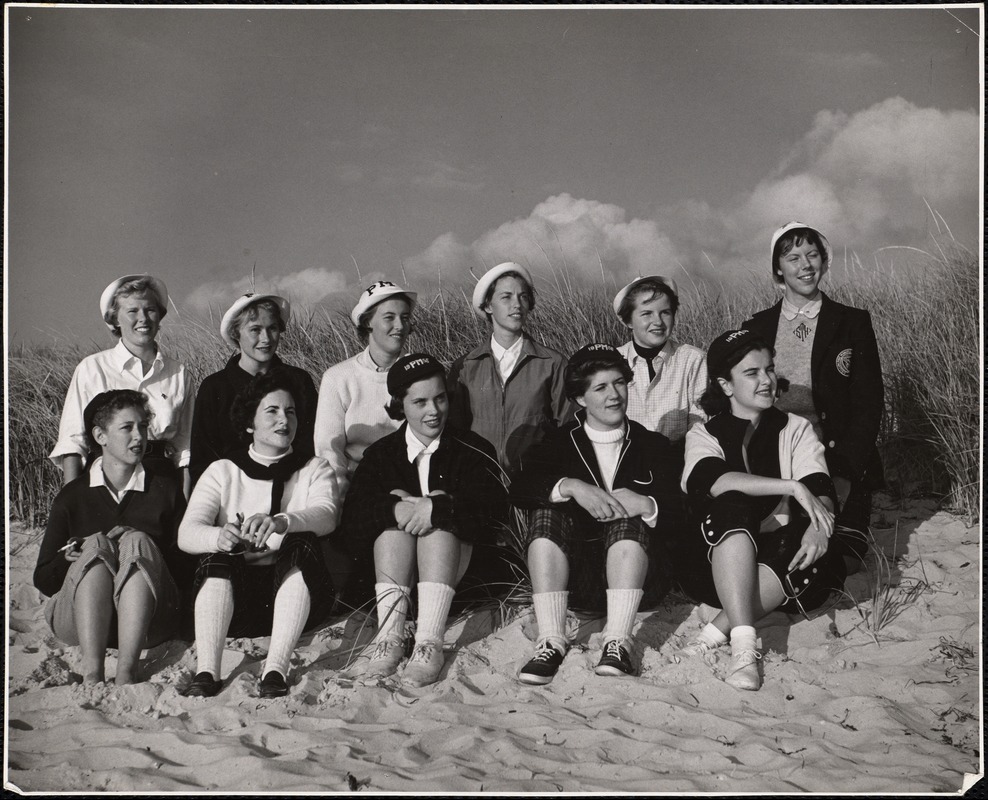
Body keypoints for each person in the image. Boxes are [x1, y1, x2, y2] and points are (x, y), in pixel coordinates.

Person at [677, 329, 845, 691]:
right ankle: (744, 651)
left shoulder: (795, 427)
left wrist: (820, 525)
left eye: (769, 369)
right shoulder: (704, 434)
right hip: (713, 566)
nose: (767, 380)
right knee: (733, 504)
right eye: (751, 373)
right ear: (725, 384)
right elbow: (715, 480)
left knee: (810, 544)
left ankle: (716, 632)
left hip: (776, 562)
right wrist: (789, 485)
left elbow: (820, 487)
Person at [510, 343, 682, 685]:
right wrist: (571, 485)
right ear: (580, 398)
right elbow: (521, 488)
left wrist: (647, 505)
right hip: (576, 584)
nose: (614, 395)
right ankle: (551, 639)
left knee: (628, 515)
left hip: (640, 582)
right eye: (600, 387)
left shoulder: (653, 446)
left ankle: (617, 641)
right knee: (547, 515)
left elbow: (681, 512)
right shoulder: (559, 442)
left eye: (619, 383)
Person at [342, 354, 506, 687]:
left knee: (439, 530)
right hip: (394, 588)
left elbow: (492, 517)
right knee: (392, 530)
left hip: (456, 583)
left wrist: (438, 509)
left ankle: (429, 643)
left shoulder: (473, 449)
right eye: (419, 402)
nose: (433, 411)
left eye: (440, 398)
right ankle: (389, 639)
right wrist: (395, 509)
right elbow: (353, 523)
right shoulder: (381, 454)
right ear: (399, 405)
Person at [178, 372, 339, 699]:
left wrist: (283, 522)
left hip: (299, 605)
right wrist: (220, 538)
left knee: (302, 539)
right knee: (217, 549)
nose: (284, 420)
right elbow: (187, 533)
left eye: (290, 412)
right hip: (233, 607)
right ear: (249, 423)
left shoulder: (313, 468)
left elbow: (327, 516)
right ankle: (208, 670)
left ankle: (275, 670)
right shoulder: (223, 471)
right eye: (273, 411)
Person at [742, 222, 884, 571]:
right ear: (778, 268)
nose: (805, 265)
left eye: (812, 255)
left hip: (836, 457)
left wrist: (844, 475)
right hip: (776, 457)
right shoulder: (756, 326)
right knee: (774, 551)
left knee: (841, 559)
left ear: (824, 260)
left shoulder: (852, 322)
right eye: (793, 257)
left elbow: (869, 404)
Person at [34, 390, 185, 685]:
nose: (139, 436)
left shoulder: (165, 488)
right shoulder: (72, 496)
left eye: (143, 426)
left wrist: (148, 548)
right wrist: (69, 558)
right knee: (97, 544)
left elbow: (186, 568)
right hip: (80, 624)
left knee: (137, 540)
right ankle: (93, 672)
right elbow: (44, 580)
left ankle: (127, 671)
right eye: (127, 427)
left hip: (149, 624)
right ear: (101, 436)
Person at [313, 280, 417, 603]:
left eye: (404, 317)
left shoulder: (420, 373)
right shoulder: (339, 377)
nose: (399, 326)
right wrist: (341, 510)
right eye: (389, 317)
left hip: (410, 486)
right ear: (367, 322)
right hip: (358, 495)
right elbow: (329, 453)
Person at [50, 274, 194, 495]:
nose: (143, 318)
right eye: (132, 311)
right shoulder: (92, 368)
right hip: (104, 481)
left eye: (150, 310)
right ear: (115, 319)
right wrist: (73, 503)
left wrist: (183, 508)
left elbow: (184, 449)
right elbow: (72, 441)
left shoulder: (179, 373)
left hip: (161, 484)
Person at [448, 262, 572, 476]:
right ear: (488, 306)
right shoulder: (465, 366)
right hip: (481, 482)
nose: (517, 304)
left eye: (523, 297)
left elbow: (568, 426)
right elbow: (455, 431)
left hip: (534, 482)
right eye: (506, 297)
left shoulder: (553, 362)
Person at [189, 292, 318, 487]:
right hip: (231, 490)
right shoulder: (215, 388)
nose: (266, 338)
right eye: (255, 330)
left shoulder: (299, 381)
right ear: (236, 334)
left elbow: (310, 443)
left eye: (272, 328)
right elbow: (203, 456)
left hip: (292, 485)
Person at [612, 276, 706, 456]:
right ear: (628, 321)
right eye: (646, 313)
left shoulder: (694, 360)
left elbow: (699, 426)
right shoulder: (613, 361)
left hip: (678, 463)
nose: (658, 321)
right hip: (625, 463)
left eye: (665, 312)